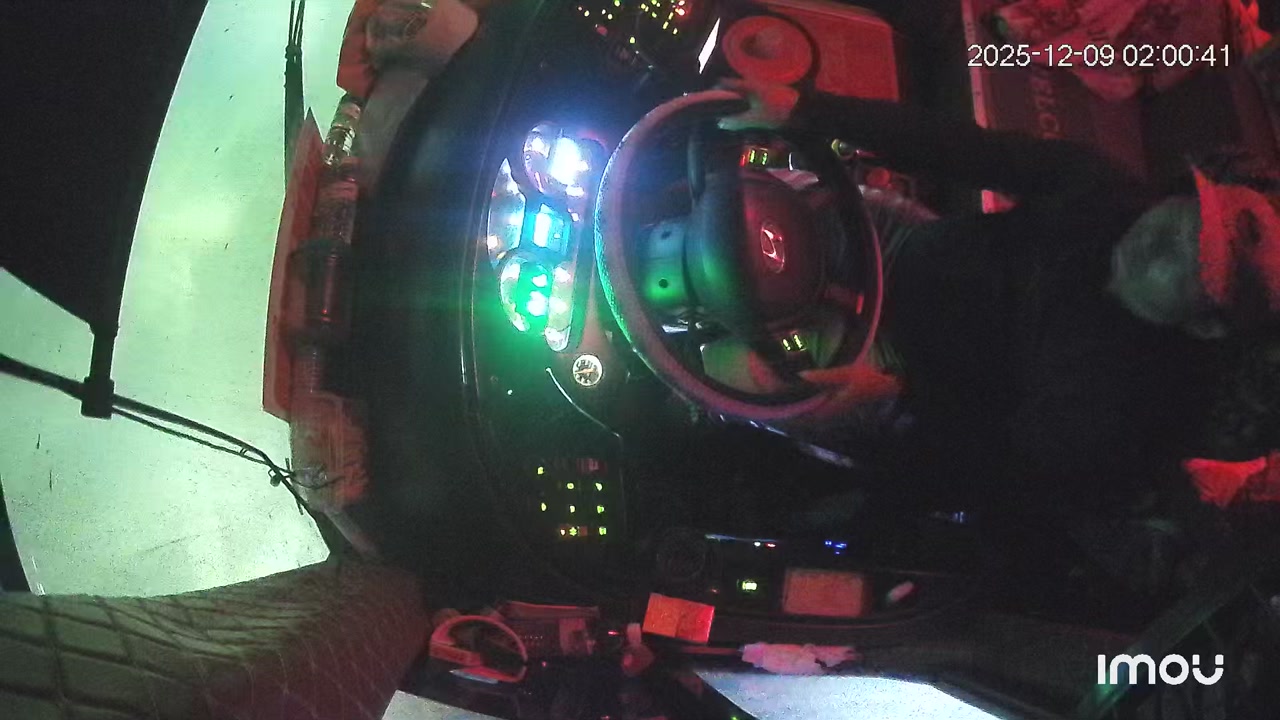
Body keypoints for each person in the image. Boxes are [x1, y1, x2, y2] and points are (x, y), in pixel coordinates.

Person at [720, 81, 1280, 510]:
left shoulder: (1118, 402)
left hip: (904, 377)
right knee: (741, 201)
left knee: (738, 373)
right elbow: (962, 148)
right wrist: (806, 108)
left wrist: (892, 392)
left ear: (1206, 324)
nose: (1155, 235)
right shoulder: (1099, 188)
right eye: (1182, 214)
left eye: (1185, 257)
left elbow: (988, 465)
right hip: (901, 245)